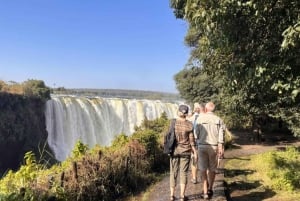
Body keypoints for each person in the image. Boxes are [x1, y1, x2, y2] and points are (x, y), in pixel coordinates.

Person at [195, 102, 225, 199]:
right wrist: (220, 146)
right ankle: (210, 188)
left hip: (202, 146)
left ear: (206, 109)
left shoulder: (200, 119)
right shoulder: (218, 119)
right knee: (212, 169)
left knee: (203, 169)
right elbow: (221, 134)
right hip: (214, 147)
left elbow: (196, 134)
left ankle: (205, 192)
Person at [169, 104, 198, 201]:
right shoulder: (189, 124)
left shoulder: (173, 123)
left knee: (173, 172)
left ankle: (172, 195)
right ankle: (182, 196)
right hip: (186, 151)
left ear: (179, 112)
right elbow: (191, 139)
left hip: (175, 151)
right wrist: (194, 150)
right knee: (184, 173)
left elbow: (170, 137)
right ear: (186, 113)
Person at [188, 102, 205, 184]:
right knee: (199, 160)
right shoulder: (202, 117)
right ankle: (199, 177)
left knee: (195, 160)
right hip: (200, 142)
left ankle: (196, 178)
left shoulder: (191, 119)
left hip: (196, 142)